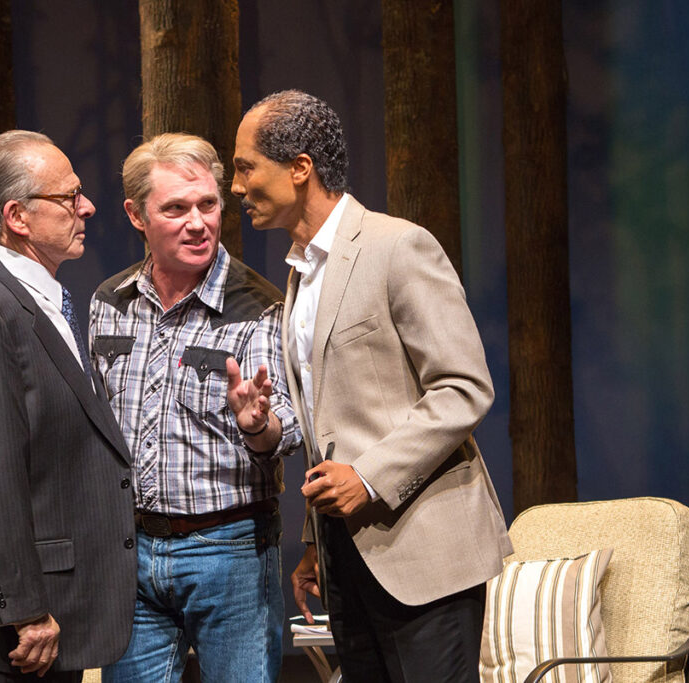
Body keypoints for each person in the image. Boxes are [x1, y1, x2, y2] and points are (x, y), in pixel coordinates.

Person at [232, 90, 513, 682]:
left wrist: (368, 477)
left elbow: (463, 387)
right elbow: (330, 422)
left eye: (245, 166)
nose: (237, 187)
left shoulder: (396, 246)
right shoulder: (300, 275)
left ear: (300, 168)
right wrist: (316, 537)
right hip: (349, 554)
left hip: (424, 551)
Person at [0, 130, 137, 682]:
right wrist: (27, 610)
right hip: (12, 636)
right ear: (17, 216)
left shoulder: (36, 297)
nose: (87, 207)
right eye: (68, 197)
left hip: (47, 612)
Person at [89, 133, 301, 682]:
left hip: (229, 550)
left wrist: (259, 426)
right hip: (130, 551)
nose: (197, 222)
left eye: (208, 205)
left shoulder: (259, 305)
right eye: (176, 209)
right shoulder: (109, 304)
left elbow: (291, 428)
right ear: (137, 215)